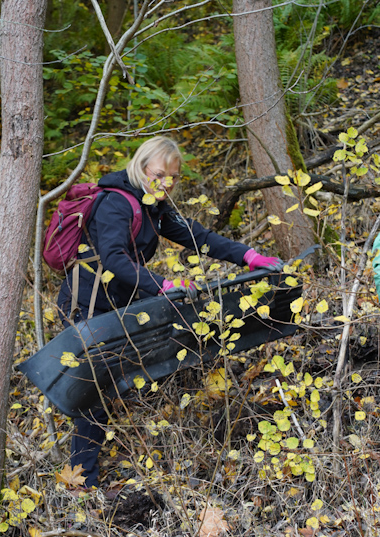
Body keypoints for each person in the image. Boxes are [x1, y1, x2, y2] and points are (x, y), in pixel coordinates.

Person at [57, 136, 283, 489]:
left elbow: (197, 236)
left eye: (173, 177)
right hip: (85, 305)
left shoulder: (152, 206)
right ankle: (81, 481)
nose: (166, 183)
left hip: (119, 302)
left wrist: (248, 256)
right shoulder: (116, 204)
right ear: (142, 166)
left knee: (123, 375)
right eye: (159, 174)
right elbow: (115, 258)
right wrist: (163, 284)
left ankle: (133, 447)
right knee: (95, 393)